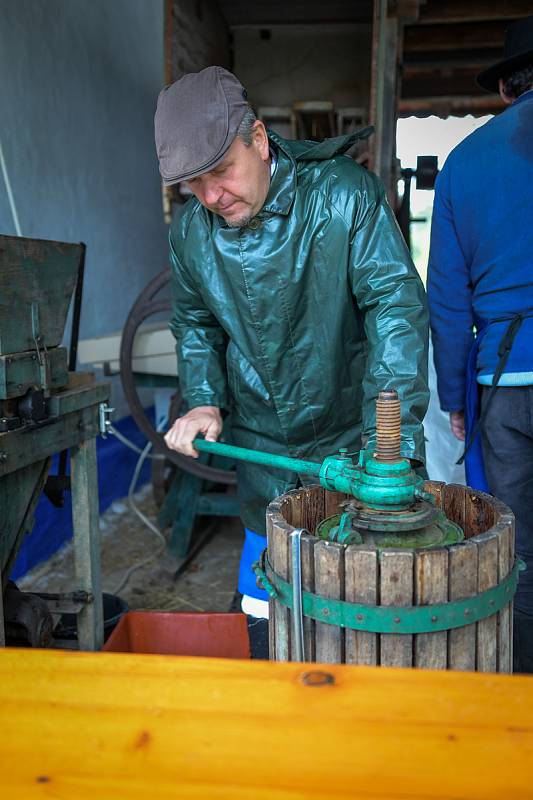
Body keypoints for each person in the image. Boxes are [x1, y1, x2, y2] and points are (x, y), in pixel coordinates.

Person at [154, 66, 429, 654]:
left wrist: (392, 439)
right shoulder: (190, 236)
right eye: (191, 185)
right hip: (262, 452)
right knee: (266, 610)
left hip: (355, 439)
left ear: (257, 138)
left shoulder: (343, 195)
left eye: (221, 171)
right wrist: (203, 398)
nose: (210, 197)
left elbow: (394, 309)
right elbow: (196, 324)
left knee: (371, 614)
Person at [428, 16, 533, 672]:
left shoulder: (465, 163)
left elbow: (446, 303)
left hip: (504, 390)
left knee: (516, 553)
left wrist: (452, 396)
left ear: (503, 90)